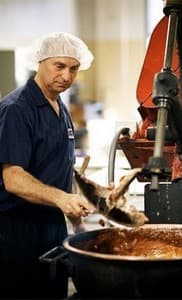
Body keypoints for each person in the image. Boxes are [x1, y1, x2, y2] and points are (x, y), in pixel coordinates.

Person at [0, 32, 96, 299]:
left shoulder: (58, 105)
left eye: (73, 69)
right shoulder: (17, 109)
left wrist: (76, 223)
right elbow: (13, 178)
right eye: (60, 66)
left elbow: (58, 172)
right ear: (40, 62)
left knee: (53, 291)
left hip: (51, 225)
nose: (67, 76)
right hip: (18, 230)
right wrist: (61, 199)